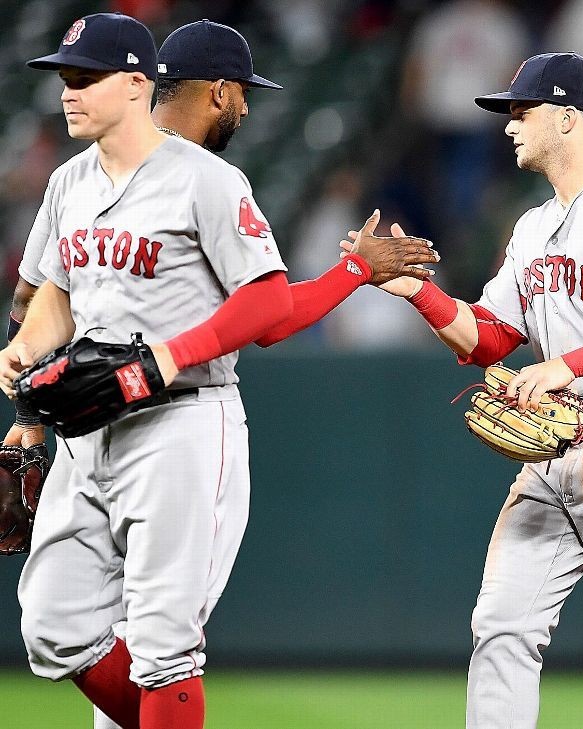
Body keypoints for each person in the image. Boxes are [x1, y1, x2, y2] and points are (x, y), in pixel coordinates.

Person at [0, 14, 427, 729]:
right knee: (54, 624)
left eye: (82, 79)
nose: (249, 107)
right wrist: (25, 397)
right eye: (243, 93)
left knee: (162, 647)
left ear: (140, 85)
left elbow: (267, 310)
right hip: (88, 425)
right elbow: (45, 298)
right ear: (222, 92)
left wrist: (350, 271)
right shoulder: (71, 180)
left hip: (181, 419)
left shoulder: (209, 181)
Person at [360, 52, 583, 728]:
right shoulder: (533, 225)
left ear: (567, 119)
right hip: (558, 444)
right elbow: (489, 336)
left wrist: (565, 366)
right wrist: (419, 293)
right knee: (500, 624)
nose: (509, 125)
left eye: (521, 111)